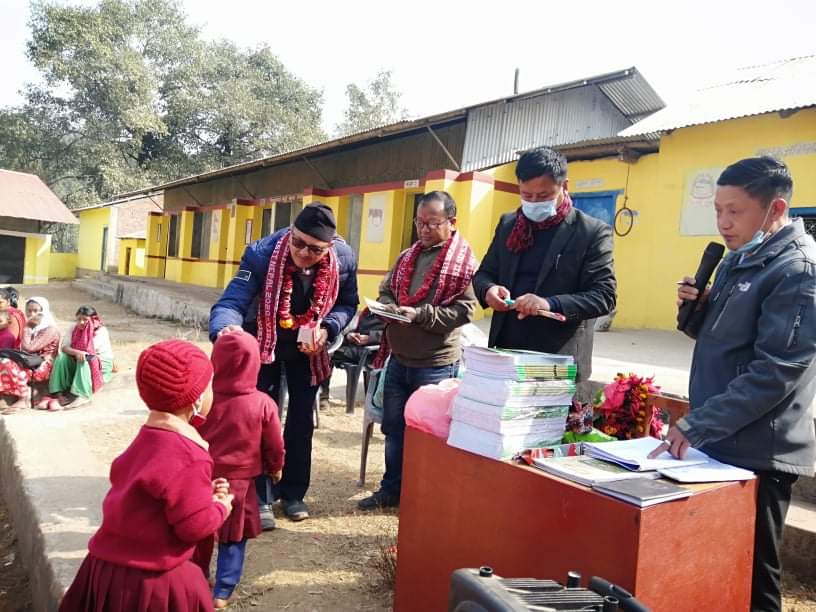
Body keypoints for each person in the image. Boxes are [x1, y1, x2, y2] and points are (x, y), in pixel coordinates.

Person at [653, 157, 816, 612]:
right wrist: (699, 307)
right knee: (715, 567)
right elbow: (720, 340)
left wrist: (697, 424)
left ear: (775, 208)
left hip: (760, 452)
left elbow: (776, 371)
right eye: (718, 210)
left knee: (751, 578)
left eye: (735, 211)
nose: (724, 223)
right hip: (722, 441)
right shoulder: (739, 258)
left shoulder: (798, 271)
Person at [210, 203, 358, 523]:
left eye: (314, 249)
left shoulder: (344, 259)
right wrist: (225, 329)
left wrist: (328, 328)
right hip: (264, 344)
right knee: (262, 420)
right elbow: (232, 300)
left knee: (301, 421)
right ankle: (261, 497)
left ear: (329, 248)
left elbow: (348, 303)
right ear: (290, 234)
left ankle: (293, 493)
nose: (304, 253)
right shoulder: (261, 255)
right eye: (298, 242)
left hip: (308, 349)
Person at [59, 339, 233, 612]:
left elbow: (158, 494)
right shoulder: (191, 455)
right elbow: (194, 526)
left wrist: (203, 493)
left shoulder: (147, 438)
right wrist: (220, 507)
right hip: (154, 581)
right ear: (196, 398)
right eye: (209, 385)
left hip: (105, 568)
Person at [358, 191, 477, 510]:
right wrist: (387, 307)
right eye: (419, 223)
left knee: (427, 435)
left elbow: (466, 311)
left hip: (436, 364)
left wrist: (421, 314)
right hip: (399, 358)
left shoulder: (463, 262)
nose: (424, 230)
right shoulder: (406, 256)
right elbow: (386, 291)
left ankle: (424, 496)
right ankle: (391, 490)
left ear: (451, 222)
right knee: (394, 428)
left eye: (432, 223)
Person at [472, 147, 616, 401]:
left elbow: (604, 296)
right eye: (526, 195)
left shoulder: (591, 233)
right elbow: (484, 274)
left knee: (548, 439)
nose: (534, 203)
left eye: (544, 195)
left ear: (564, 186)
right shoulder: (509, 224)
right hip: (507, 354)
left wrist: (549, 303)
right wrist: (489, 290)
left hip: (556, 361)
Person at [194, 330, 285, 608]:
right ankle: (223, 591)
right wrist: (275, 467)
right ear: (255, 363)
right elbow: (274, 443)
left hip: (203, 478)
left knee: (200, 532)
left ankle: (197, 578)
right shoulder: (263, 403)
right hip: (241, 485)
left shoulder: (204, 398)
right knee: (234, 537)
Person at [0, 297, 61, 413]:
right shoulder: (35, 328)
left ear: (43, 311)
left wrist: (27, 327)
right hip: (31, 361)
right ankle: (7, 395)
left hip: (44, 365)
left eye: (36, 310)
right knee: (3, 360)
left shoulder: (50, 329)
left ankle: (24, 398)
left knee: (5, 363)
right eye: (29, 310)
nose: (32, 314)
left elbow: (29, 348)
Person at [48, 305, 114, 410]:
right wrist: (77, 352)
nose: (81, 322)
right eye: (79, 319)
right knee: (62, 358)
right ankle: (58, 393)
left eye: (85, 320)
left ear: (93, 320)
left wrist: (78, 352)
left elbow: (89, 351)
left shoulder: (100, 331)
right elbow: (64, 347)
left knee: (83, 358)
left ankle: (82, 395)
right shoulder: (73, 328)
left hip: (100, 362)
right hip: (78, 357)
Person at [319, 307, 386, 407]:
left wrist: (369, 338)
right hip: (356, 346)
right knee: (327, 352)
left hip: (373, 351)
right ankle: (323, 396)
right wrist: (350, 335)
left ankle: (323, 397)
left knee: (330, 352)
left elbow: (390, 335)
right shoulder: (369, 310)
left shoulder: (392, 313)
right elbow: (354, 327)